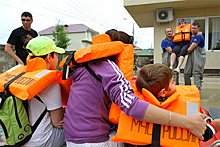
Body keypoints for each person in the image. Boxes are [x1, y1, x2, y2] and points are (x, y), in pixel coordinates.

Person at [63, 29, 207, 147]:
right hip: (95, 141)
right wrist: (188, 122)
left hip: (70, 138)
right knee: (137, 135)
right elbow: (131, 106)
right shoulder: (107, 66)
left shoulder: (81, 67)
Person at [136, 64, 220, 143]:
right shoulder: (182, 111)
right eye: (172, 82)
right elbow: (203, 135)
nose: (175, 83)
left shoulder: (136, 108)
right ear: (163, 93)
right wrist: (214, 126)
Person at [23, 36, 65, 147]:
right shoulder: (50, 83)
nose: (57, 58)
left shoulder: (23, 76)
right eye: (56, 54)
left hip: (21, 138)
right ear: (48, 57)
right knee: (77, 129)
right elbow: (58, 122)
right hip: (41, 141)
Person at [184, 22, 205, 91]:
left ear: (198, 29)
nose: (193, 29)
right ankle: (188, 90)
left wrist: (181, 53)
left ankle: (197, 93)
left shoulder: (199, 36)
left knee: (197, 74)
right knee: (186, 73)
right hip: (191, 58)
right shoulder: (191, 37)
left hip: (198, 58)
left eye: (195, 28)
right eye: (192, 28)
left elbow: (190, 49)